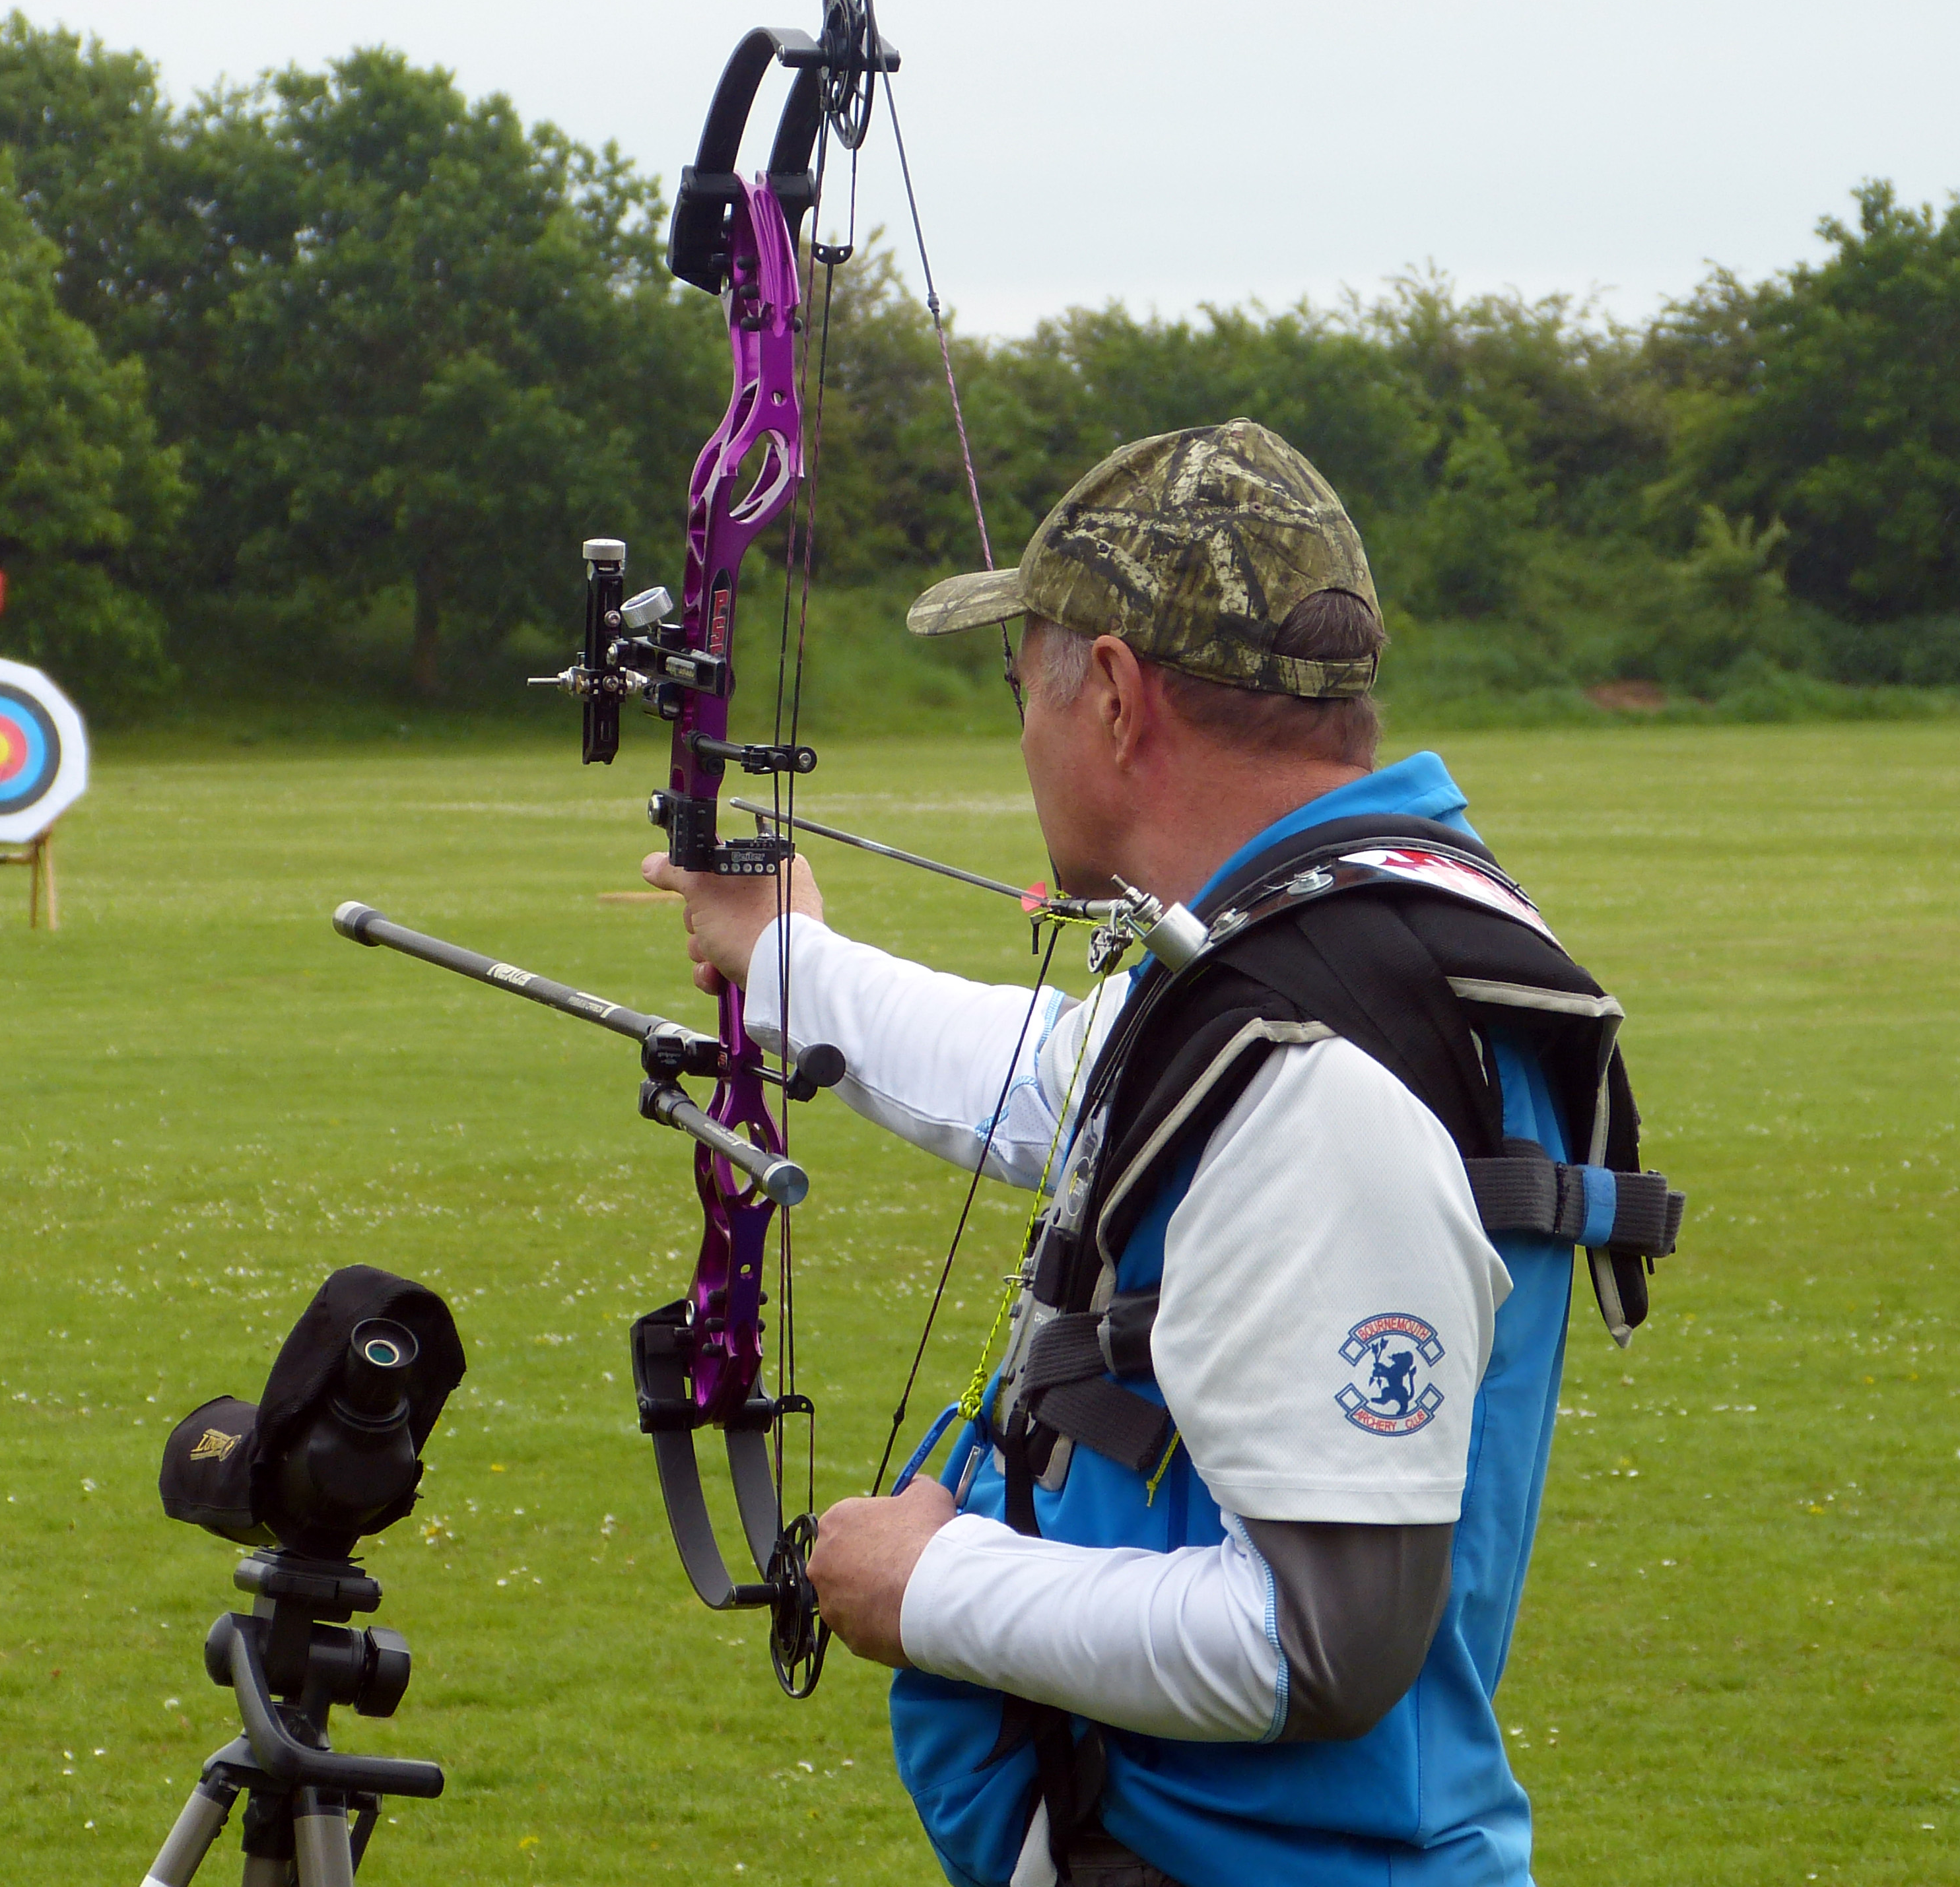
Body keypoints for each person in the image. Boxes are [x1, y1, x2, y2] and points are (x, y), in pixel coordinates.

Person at [644, 420, 1678, 1887]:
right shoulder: (1305, 951)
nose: (1023, 733)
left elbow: (1317, 1644)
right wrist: (786, 960)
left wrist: (927, 1582)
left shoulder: (1318, 1054)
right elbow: (1061, 1084)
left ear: (1118, 696)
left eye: (1023, 686)